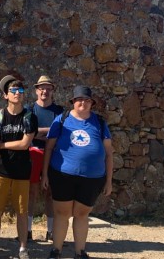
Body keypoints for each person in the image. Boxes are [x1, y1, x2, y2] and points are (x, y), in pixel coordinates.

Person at [42, 86, 113, 259]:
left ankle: (80, 252)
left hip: (92, 178)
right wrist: (44, 174)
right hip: (62, 174)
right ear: (73, 102)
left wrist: (109, 181)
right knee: (62, 213)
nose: (83, 103)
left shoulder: (100, 123)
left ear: (91, 103)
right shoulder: (62, 120)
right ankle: (56, 250)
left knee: (82, 214)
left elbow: (109, 153)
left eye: (87, 100)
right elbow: (49, 148)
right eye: (79, 99)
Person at [0, 75, 37, 259]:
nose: (17, 94)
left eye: (20, 91)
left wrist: (2, 146)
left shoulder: (29, 117)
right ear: (6, 95)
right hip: (2, 171)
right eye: (13, 91)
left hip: (22, 172)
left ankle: (23, 248)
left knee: (22, 212)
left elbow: (24, 144)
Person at [27, 76, 63, 242]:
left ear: (52, 91)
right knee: (31, 192)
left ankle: (50, 231)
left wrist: (39, 132)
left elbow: (59, 133)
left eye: (48, 88)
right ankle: (27, 230)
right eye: (42, 88)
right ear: (36, 90)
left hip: (54, 156)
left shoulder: (59, 112)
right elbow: (29, 133)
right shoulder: (29, 110)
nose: (45, 91)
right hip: (33, 154)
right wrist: (49, 132)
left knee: (51, 193)